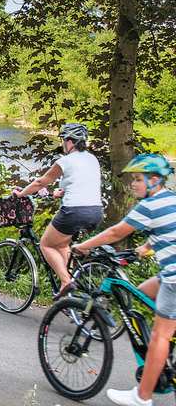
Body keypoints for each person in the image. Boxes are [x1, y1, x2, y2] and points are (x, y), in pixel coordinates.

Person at [73, 153, 176, 406]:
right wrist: (142, 250)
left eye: (138, 179)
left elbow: (115, 232)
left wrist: (83, 246)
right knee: (140, 292)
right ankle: (162, 359)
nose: (133, 184)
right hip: (168, 275)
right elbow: (164, 231)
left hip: (174, 279)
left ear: (154, 181)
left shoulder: (149, 206)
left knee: (159, 336)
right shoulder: (170, 199)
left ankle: (143, 397)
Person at [14, 123, 103, 299]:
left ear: (70, 142)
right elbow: (80, 182)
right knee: (62, 244)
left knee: (47, 244)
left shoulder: (65, 161)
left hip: (74, 211)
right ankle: (73, 293)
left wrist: (21, 194)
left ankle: (65, 282)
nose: (63, 143)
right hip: (96, 211)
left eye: (63, 140)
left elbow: (41, 182)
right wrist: (60, 193)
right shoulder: (92, 159)